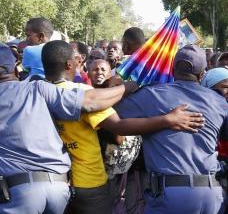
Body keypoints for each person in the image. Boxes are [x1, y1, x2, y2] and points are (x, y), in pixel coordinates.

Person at [41, 40, 203, 214]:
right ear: (69, 64)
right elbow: (119, 127)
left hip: (56, 182)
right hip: (88, 182)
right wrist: (168, 119)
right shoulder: (80, 93)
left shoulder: (39, 91)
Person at [0, 43, 142, 214]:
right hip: (73, 186)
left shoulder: (41, 87)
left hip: (23, 190)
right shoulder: (40, 90)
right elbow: (110, 122)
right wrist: (129, 87)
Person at [115, 44, 228, 214]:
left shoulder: (151, 94)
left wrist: (123, 87)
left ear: (172, 70)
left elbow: (114, 113)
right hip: (210, 193)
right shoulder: (219, 101)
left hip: (170, 195)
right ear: (202, 74)